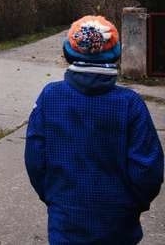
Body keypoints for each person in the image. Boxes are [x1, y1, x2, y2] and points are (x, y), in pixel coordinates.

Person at [25, 15, 164, 244]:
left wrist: (54, 198)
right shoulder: (130, 104)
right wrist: (132, 205)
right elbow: (148, 169)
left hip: (66, 221)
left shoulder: (50, 97)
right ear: (116, 52)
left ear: (68, 51)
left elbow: (35, 159)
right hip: (119, 225)